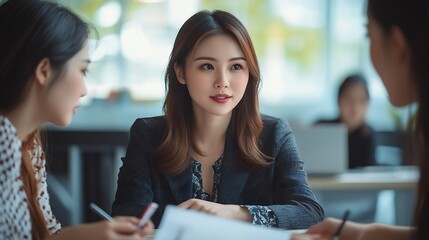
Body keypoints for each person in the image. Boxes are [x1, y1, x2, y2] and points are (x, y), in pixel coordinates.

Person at [112, 10, 324, 229]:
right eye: (207, 66)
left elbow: (309, 212)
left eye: (235, 67)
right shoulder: (148, 135)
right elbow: (128, 215)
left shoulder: (273, 133)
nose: (223, 81)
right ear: (181, 72)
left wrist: (237, 213)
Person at [0, 0, 153, 239]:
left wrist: (95, 234)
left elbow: (43, 234)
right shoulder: (4, 145)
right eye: (82, 70)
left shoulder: (29, 145)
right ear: (43, 71)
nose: (84, 90)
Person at [293, 0, 429, 239]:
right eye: (349, 100)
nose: (354, 107)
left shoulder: (372, 134)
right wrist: (361, 233)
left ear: (398, 44)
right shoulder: (323, 125)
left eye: (368, 35)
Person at [316, 74, 376, 169]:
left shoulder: (368, 135)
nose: (355, 107)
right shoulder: (321, 128)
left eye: (361, 100)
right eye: (349, 99)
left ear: (367, 105)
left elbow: (369, 177)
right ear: (339, 101)